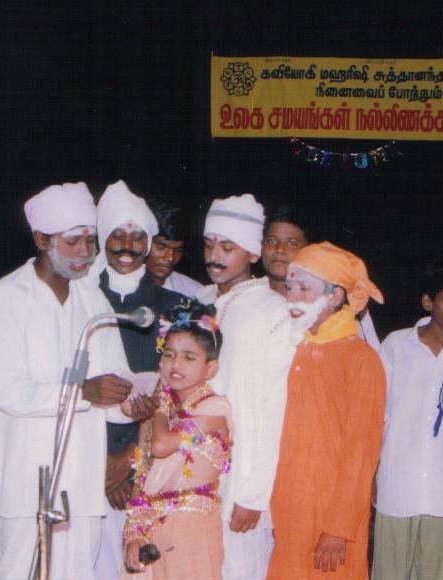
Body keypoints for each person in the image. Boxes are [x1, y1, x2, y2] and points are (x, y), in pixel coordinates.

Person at [0, 183, 134, 579]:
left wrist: (130, 402)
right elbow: (3, 389)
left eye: (90, 241)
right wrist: (83, 392)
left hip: (82, 471)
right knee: (22, 570)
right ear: (41, 239)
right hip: (26, 471)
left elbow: (114, 378)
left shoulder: (91, 299)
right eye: (73, 241)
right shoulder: (8, 296)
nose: (85, 252)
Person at [268, 242, 386, 580]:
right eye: (290, 288)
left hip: (331, 516)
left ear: (335, 297)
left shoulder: (361, 359)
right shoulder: (291, 347)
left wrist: (338, 528)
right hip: (287, 506)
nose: (293, 298)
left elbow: (361, 454)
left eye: (305, 289)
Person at [195, 194, 295, 580]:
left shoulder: (273, 311)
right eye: (209, 244)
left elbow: (272, 411)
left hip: (240, 486)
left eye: (227, 247)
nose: (214, 256)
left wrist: (253, 494)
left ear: (253, 253)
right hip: (196, 476)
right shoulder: (200, 302)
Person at [92, 180, 184, 578]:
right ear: (102, 237)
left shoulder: (178, 309)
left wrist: (129, 459)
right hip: (85, 465)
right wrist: (101, 463)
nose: (127, 245)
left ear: (148, 242)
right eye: (117, 234)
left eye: (137, 236)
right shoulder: (78, 299)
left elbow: (185, 396)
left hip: (148, 468)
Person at [372, 262, 443, 580]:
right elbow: (378, 414)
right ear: (428, 302)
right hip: (397, 487)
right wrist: (372, 474)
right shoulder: (396, 346)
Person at [122, 299, 231, 579]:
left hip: (190, 529)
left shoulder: (214, 408)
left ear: (210, 369)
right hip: (149, 528)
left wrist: (159, 403)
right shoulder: (161, 412)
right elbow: (142, 472)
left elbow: (161, 446)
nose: (175, 364)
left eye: (189, 357)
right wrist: (133, 533)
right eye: (169, 355)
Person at [261, 204, 382, 350]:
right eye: (271, 241)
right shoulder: (247, 297)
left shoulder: (340, 305)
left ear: (309, 251)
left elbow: (370, 358)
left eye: (292, 243)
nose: (279, 249)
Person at [146, 196, 205, 298]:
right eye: (161, 246)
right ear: (143, 241)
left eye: (178, 250)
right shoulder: (121, 287)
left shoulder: (195, 293)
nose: (170, 258)